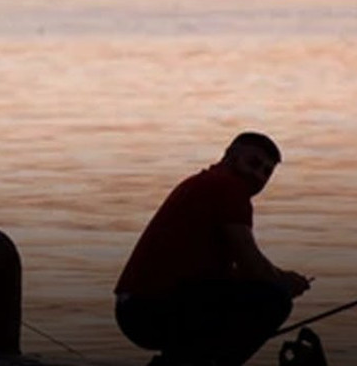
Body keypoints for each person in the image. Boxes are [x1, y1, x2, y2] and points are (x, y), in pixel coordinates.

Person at [114, 132, 312, 366]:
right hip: (150, 308)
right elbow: (252, 263)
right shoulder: (228, 187)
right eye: (254, 163)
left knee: (261, 290)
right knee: (273, 299)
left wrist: (280, 277)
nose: (258, 175)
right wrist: (284, 283)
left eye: (267, 172)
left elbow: (237, 271)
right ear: (231, 155)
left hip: (136, 306)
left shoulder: (207, 183)